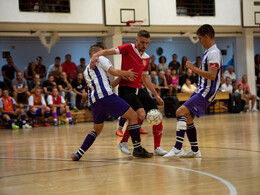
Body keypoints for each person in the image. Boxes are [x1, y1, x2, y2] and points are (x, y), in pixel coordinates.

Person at [89, 30, 167, 156]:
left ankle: (157, 148)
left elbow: (145, 78)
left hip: (140, 89)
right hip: (126, 88)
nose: (144, 45)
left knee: (157, 115)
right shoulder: (128, 48)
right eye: (142, 42)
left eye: (146, 43)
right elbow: (107, 51)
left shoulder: (146, 57)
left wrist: (156, 95)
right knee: (140, 114)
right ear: (136, 40)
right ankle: (123, 142)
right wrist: (95, 56)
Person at [71, 44, 153, 161]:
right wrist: (127, 73)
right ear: (96, 53)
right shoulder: (101, 58)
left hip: (95, 101)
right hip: (106, 96)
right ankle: (138, 149)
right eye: (102, 51)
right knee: (134, 116)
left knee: (96, 129)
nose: (105, 53)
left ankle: (79, 153)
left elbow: (111, 85)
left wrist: (122, 77)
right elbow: (114, 72)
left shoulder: (86, 70)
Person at [164, 24, 222, 158]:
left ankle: (178, 148)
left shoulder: (213, 53)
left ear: (207, 37)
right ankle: (195, 150)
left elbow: (212, 75)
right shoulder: (209, 51)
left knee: (180, 111)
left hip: (207, 92)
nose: (200, 41)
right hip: (201, 90)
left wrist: (193, 68)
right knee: (188, 117)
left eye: (200, 38)